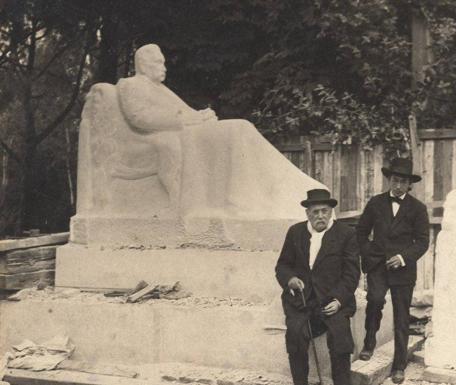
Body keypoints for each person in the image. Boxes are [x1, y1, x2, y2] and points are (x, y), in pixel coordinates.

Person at [114, 44, 325, 221]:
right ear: (142, 65)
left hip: (187, 132)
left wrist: (201, 115)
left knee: (239, 127)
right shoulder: (130, 85)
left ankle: (268, 192)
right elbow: (139, 118)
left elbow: (186, 112)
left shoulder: (162, 89)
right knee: (235, 130)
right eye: (158, 63)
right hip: (163, 137)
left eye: (164, 62)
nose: (164, 68)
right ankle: (238, 200)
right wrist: (186, 120)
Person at [356, 158, 430, 384]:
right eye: (395, 180)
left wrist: (402, 258)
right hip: (378, 265)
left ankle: (399, 365)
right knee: (375, 301)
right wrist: (370, 255)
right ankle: (369, 342)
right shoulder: (376, 203)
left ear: (409, 184)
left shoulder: (418, 208)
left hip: (403, 271)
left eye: (403, 182)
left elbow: (423, 242)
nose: (398, 185)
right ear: (389, 180)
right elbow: (360, 233)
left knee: (401, 316)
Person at [275, 189, 360, 385]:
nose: (320, 216)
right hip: (302, 301)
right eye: (315, 212)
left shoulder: (346, 234)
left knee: (341, 338)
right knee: (295, 335)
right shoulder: (295, 232)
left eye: (324, 211)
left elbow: (352, 273)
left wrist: (339, 300)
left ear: (331, 212)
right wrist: (290, 279)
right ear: (307, 213)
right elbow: (283, 265)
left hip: (333, 301)